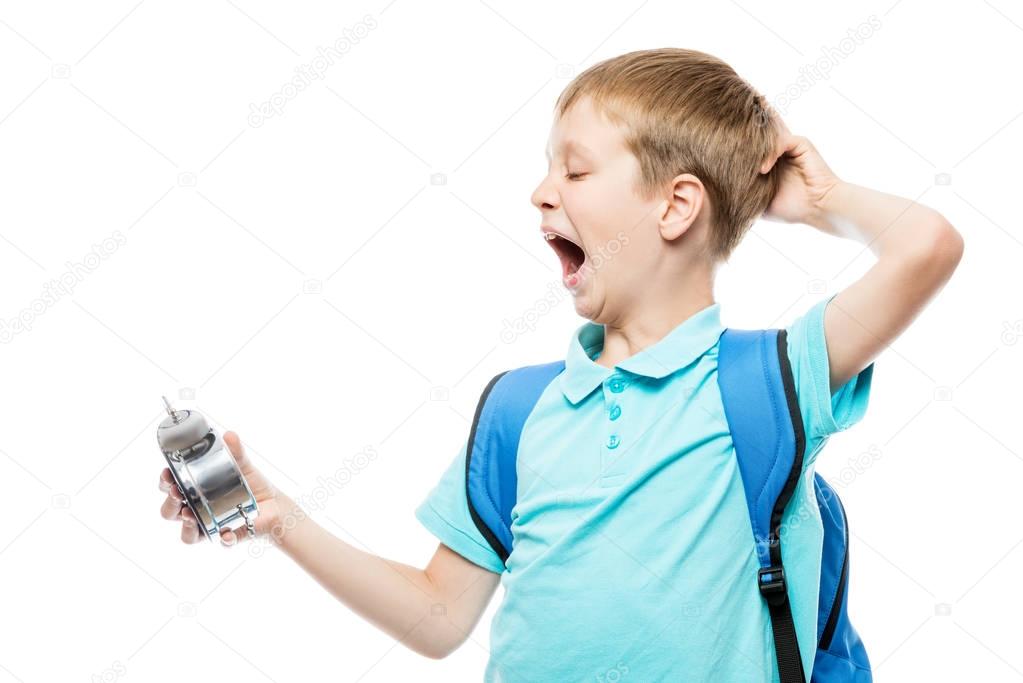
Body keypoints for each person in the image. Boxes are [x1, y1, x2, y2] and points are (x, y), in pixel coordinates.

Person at [158, 47, 963, 681]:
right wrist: (280, 518)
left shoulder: (771, 379)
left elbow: (926, 246)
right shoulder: (517, 409)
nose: (541, 193)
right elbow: (439, 618)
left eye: (575, 170)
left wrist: (816, 201)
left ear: (676, 206)